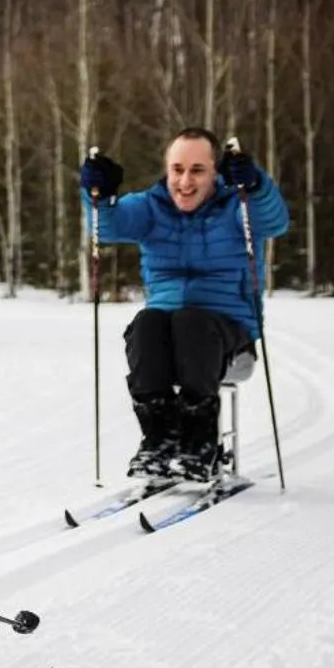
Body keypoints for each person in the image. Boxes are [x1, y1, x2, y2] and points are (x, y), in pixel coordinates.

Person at [79, 129, 289, 482]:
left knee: (190, 321)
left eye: (197, 170)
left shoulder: (234, 205)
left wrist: (255, 186)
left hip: (228, 340)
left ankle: (199, 443)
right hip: (168, 339)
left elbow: (273, 221)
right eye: (177, 170)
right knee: (147, 323)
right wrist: (99, 195)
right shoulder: (151, 206)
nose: (185, 181)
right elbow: (106, 229)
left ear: (215, 173)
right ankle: (159, 440)